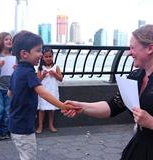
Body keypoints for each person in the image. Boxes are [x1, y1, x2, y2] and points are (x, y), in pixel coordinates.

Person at [62, 24, 153, 160]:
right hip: (139, 147)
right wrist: (81, 106)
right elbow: (112, 107)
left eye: (133, 47)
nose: (129, 52)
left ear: (150, 48)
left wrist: (151, 122)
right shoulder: (135, 76)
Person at [8, 31, 79, 160]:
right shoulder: (28, 73)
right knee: (28, 157)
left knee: (24, 154)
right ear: (24, 54)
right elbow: (44, 93)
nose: (41, 54)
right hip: (24, 126)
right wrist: (62, 105)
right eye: (38, 51)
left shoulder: (17, 71)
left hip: (15, 123)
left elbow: (10, 93)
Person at [36, 47, 62, 134]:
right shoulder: (41, 68)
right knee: (41, 109)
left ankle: (51, 125)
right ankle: (40, 126)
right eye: (46, 57)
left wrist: (54, 74)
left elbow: (61, 78)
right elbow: (37, 80)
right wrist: (43, 75)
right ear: (43, 57)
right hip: (43, 91)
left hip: (52, 90)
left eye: (50, 56)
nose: (48, 58)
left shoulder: (56, 67)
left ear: (53, 56)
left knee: (51, 109)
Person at [0, 32, 12, 141]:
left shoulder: (14, 56)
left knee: (8, 111)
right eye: (6, 39)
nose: (9, 41)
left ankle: (5, 131)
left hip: (9, 88)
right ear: (1, 41)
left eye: (10, 39)